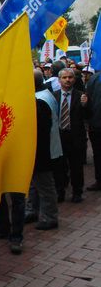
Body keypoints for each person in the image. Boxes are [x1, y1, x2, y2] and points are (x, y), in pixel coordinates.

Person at [26, 69, 60, 230]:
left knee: (45, 185)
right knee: (35, 184)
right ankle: (33, 210)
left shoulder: (40, 101)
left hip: (41, 151)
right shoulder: (45, 95)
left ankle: (50, 217)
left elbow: (38, 129)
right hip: (40, 150)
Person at [54, 68, 88, 203]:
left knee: (76, 167)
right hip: (59, 136)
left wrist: (85, 105)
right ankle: (60, 191)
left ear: (74, 79)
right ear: (59, 80)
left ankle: (77, 192)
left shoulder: (81, 95)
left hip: (75, 137)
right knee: (59, 167)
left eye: (70, 77)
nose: (67, 80)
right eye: (64, 77)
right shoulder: (54, 95)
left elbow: (88, 116)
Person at [85, 68, 101, 192]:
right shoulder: (94, 79)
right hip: (96, 123)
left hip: (95, 123)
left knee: (98, 154)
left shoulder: (93, 79)